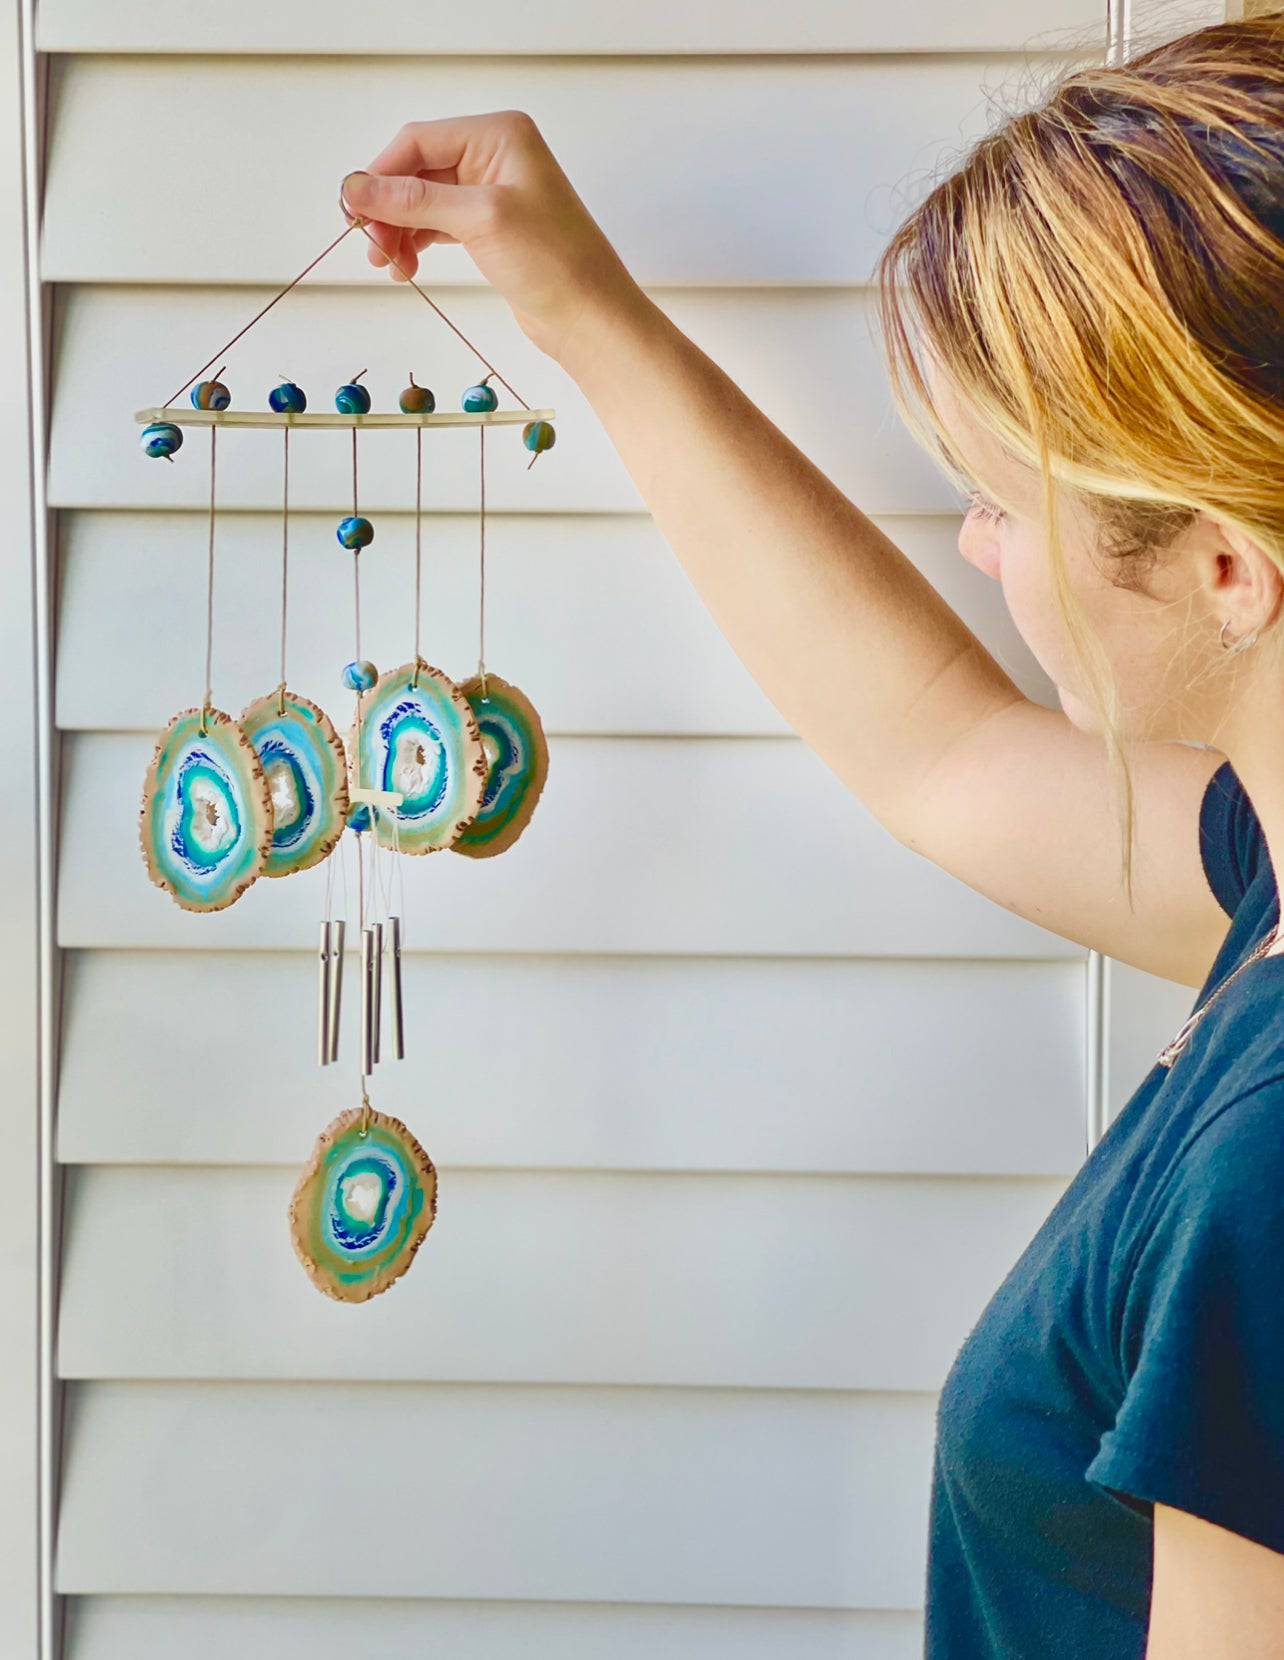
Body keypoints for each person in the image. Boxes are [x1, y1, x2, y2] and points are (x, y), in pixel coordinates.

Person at [340, 11, 1284, 1654]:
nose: (979, 547)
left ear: (1222, 565)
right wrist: (587, 314)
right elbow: (936, 743)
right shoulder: (1259, 884)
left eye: (1003, 494)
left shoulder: (1271, 1175)